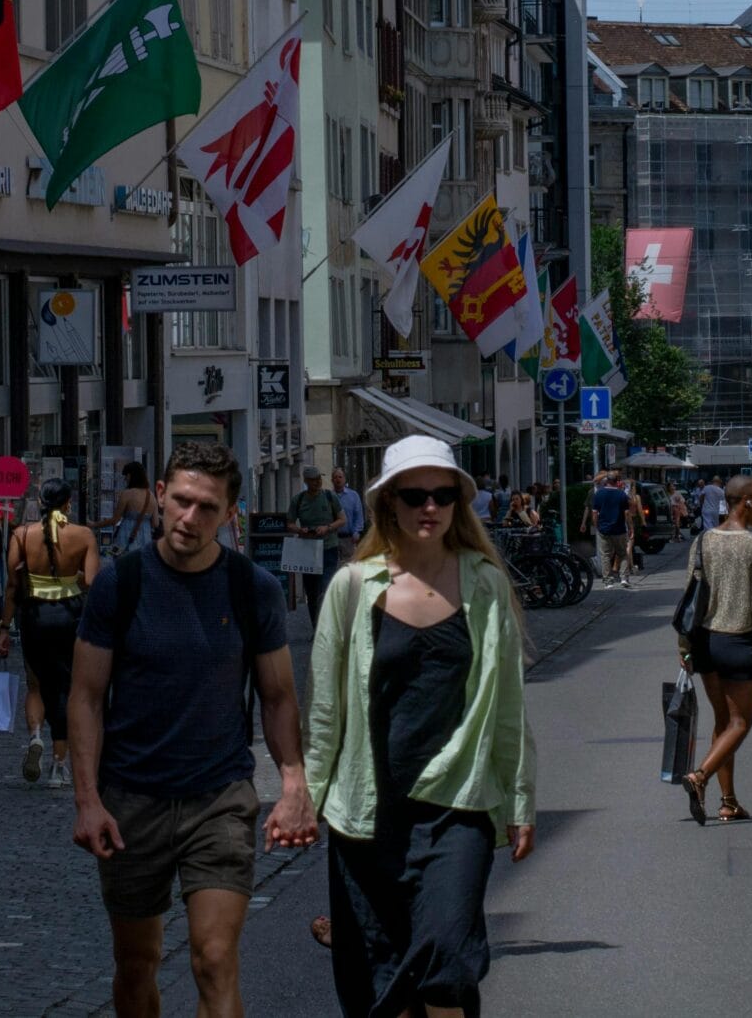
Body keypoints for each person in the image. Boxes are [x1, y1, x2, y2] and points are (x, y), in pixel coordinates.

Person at [68, 441, 318, 1018]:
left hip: (219, 800)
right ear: (159, 496)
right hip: (131, 799)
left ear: (231, 515)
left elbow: (278, 696)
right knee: (137, 962)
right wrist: (87, 801)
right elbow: (85, 697)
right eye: (180, 501)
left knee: (212, 958)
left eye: (207, 508)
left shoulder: (253, 588)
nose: (189, 517)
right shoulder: (119, 583)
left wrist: (293, 784)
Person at [309, 436, 535, 1017]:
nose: (428, 507)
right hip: (368, 811)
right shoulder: (353, 588)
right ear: (389, 505)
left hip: (457, 802)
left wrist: (519, 800)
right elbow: (326, 710)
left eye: (442, 495)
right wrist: (306, 800)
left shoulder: (483, 583)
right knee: (380, 982)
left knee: (446, 963)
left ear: (459, 503)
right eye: (414, 496)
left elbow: (508, 703)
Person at [679, 475, 752, 826]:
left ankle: (728, 802)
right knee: (740, 723)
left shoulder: (703, 541)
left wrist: (684, 644)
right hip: (739, 643)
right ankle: (700, 777)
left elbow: (689, 595)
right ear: (747, 502)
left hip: (706, 643)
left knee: (723, 723)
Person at [0, 480, 97, 788]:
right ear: (68, 504)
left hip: (33, 616)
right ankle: (58, 766)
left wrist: (3, 628)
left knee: (35, 684)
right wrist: (71, 580)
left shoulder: (22, 535)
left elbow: (13, 586)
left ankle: (36, 735)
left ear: (39, 500)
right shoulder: (82, 535)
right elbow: (92, 582)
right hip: (69, 615)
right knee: (67, 687)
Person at [288, 467, 344, 618]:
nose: (318, 482)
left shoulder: (329, 496)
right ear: (306, 481)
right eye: (313, 480)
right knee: (312, 592)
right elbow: (290, 524)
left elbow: (342, 520)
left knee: (325, 589)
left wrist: (328, 527)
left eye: (319, 478)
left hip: (328, 548)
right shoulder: (298, 500)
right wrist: (300, 530)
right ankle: (316, 627)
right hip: (308, 550)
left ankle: (327, 627)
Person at [589, 470, 635, 588]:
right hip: (619, 529)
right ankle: (624, 578)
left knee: (605, 555)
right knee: (622, 554)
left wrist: (597, 526)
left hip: (604, 529)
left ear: (607, 481)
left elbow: (594, 513)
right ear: (616, 481)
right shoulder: (621, 495)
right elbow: (627, 513)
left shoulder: (599, 494)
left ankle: (608, 582)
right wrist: (630, 528)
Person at [108, 461, 154, 556]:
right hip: (146, 542)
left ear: (131, 476)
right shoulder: (151, 496)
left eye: (126, 476)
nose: (125, 479)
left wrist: (94, 524)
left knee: (122, 567)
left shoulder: (127, 494)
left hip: (125, 539)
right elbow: (155, 523)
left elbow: (114, 520)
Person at [332, 467, 366, 550]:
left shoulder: (353, 496)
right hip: (332, 539)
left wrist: (356, 532)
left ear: (344, 479)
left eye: (340, 477)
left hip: (349, 539)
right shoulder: (329, 496)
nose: (338, 479)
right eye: (335, 477)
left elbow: (358, 515)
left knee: (347, 562)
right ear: (332, 480)